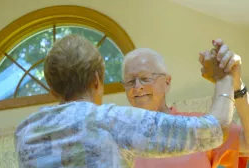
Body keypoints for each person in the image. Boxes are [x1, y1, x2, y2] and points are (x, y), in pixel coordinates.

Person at [15, 35, 235, 168]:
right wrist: (225, 78)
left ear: (52, 90)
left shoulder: (25, 132)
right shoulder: (111, 120)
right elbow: (215, 130)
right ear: (96, 80)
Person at [121, 39, 249, 168]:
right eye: (130, 81)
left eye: (145, 78)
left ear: (167, 81)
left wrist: (236, 85)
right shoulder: (120, 133)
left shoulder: (197, 123)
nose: (137, 87)